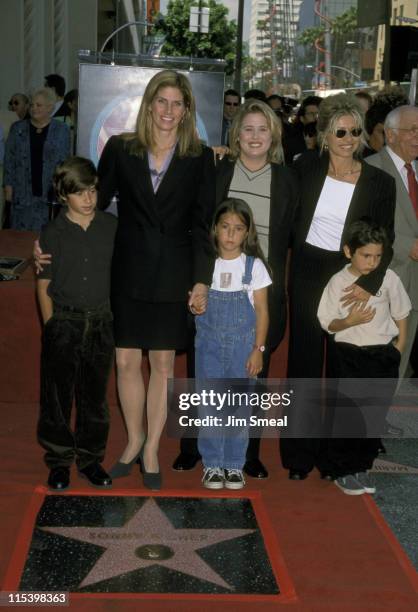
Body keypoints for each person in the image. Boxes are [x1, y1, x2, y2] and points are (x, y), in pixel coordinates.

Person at [97, 70, 215, 491]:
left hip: (174, 273)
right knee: (127, 361)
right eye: (161, 102)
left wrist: (202, 280)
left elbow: (204, 225)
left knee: (163, 363)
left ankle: (151, 453)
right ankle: (133, 442)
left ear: (187, 110)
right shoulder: (120, 148)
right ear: (149, 105)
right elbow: (93, 206)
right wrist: (60, 241)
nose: (168, 111)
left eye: (176, 103)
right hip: (127, 268)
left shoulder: (199, 157)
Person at [173, 99, 299, 478]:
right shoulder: (217, 171)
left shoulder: (288, 179)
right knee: (204, 370)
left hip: (260, 291)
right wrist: (200, 280)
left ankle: (248, 454)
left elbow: (290, 235)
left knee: (252, 374)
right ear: (236, 134)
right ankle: (193, 446)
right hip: (214, 287)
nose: (255, 136)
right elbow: (199, 228)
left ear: (273, 135)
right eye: (248, 129)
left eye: (263, 129)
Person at [280, 93, 396, 481]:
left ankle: (337, 457)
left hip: (350, 277)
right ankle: (299, 456)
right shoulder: (303, 169)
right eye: (341, 131)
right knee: (306, 365)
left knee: (347, 367)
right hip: (309, 272)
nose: (349, 139)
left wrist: (370, 282)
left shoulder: (380, 181)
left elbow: (387, 237)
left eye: (356, 131)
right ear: (325, 133)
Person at [37, 157, 117, 491]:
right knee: (56, 397)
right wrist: (51, 325)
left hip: (101, 320)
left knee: (94, 397)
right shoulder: (52, 232)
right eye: (80, 192)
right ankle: (58, 462)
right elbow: (44, 283)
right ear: (63, 194)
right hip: (64, 321)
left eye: (93, 190)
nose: (88, 198)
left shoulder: (111, 226)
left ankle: (90, 459)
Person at [317, 220, 411, 495]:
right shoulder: (338, 282)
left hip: (382, 355)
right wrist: (349, 321)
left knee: (373, 415)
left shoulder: (388, 277)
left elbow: (402, 311)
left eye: (378, 256)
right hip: (350, 356)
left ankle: (361, 466)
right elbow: (327, 323)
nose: (372, 263)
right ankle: (342, 469)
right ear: (349, 251)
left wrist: (400, 345)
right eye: (365, 255)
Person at [195, 198, 271, 490]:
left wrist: (258, 349)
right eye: (225, 227)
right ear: (215, 228)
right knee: (210, 406)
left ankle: (234, 464)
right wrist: (196, 306)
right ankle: (213, 465)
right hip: (209, 347)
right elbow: (196, 300)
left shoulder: (254, 267)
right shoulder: (206, 264)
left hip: (244, 348)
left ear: (247, 233)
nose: (230, 234)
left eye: (238, 229)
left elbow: (263, 310)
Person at [366, 105, 418, 382]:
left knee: (402, 356)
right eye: (412, 130)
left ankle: (381, 418)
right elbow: (364, 225)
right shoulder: (371, 168)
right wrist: (406, 245)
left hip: (415, 286)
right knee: (377, 358)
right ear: (390, 134)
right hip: (384, 280)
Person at [3, 87, 71, 231]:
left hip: (50, 192)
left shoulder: (62, 130)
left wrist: (62, 189)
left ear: (50, 108)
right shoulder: (17, 128)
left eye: (38, 105)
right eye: (32, 104)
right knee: (20, 238)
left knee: (47, 237)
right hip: (22, 193)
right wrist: (8, 187)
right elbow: (9, 158)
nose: (34, 108)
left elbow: (65, 162)